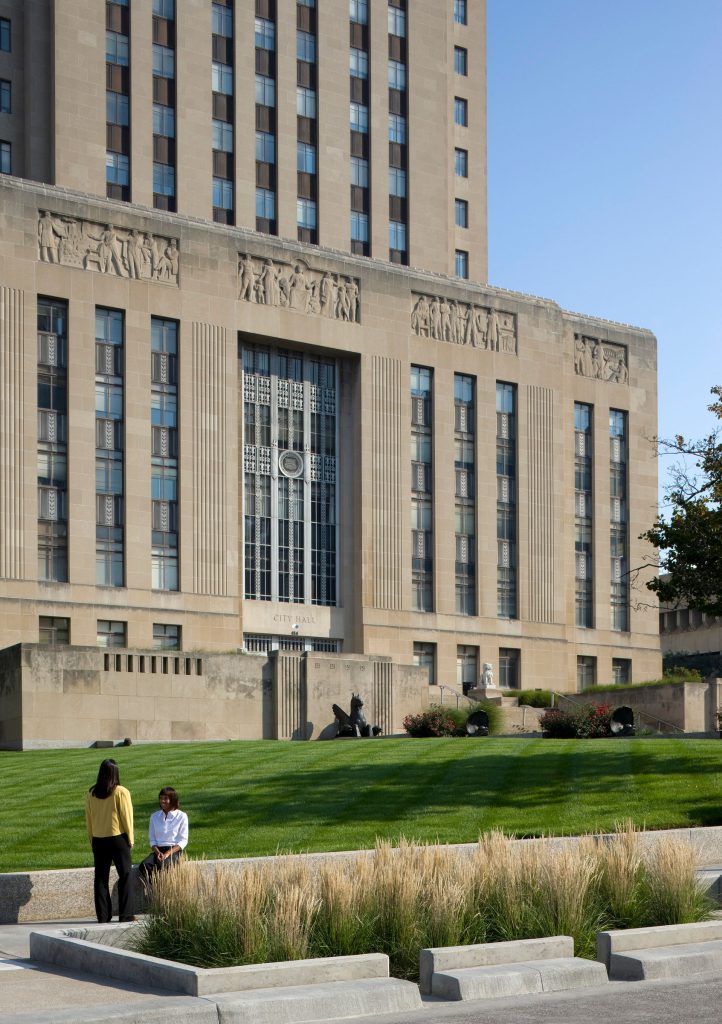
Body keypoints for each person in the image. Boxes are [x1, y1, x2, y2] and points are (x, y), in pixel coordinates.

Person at [85, 759, 134, 923]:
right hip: (118, 838)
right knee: (125, 875)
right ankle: (126, 914)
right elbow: (126, 817)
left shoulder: (91, 793)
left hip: (98, 840)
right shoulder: (121, 792)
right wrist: (130, 838)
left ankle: (103, 915)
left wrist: (92, 839)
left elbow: (89, 819)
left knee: (100, 878)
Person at [138, 787, 188, 886]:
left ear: (172, 800)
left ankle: (163, 888)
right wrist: (158, 852)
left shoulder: (182, 816)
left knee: (163, 865)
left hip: (174, 850)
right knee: (144, 865)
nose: (162, 801)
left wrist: (168, 853)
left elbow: (183, 841)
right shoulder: (154, 816)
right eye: (161, 798)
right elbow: (152, 839)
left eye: (165, 798)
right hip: (158, 850)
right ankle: (157, 888)